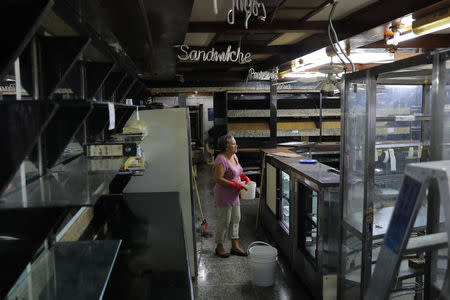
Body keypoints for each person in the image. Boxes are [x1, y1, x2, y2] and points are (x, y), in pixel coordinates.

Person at [213, 135, 251, 258]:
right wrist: (235, 185)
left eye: (235, 143)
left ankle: (235, 246)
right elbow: (218, 179)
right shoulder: (221, 160)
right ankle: (219, 247)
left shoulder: (234, 156)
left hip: (234, 195)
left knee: (236, 219)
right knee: (224, 221)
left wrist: (243, 176)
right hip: (224, 195)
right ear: (226, 146)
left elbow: (237, 171)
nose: (236, 146)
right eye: (234, 144)